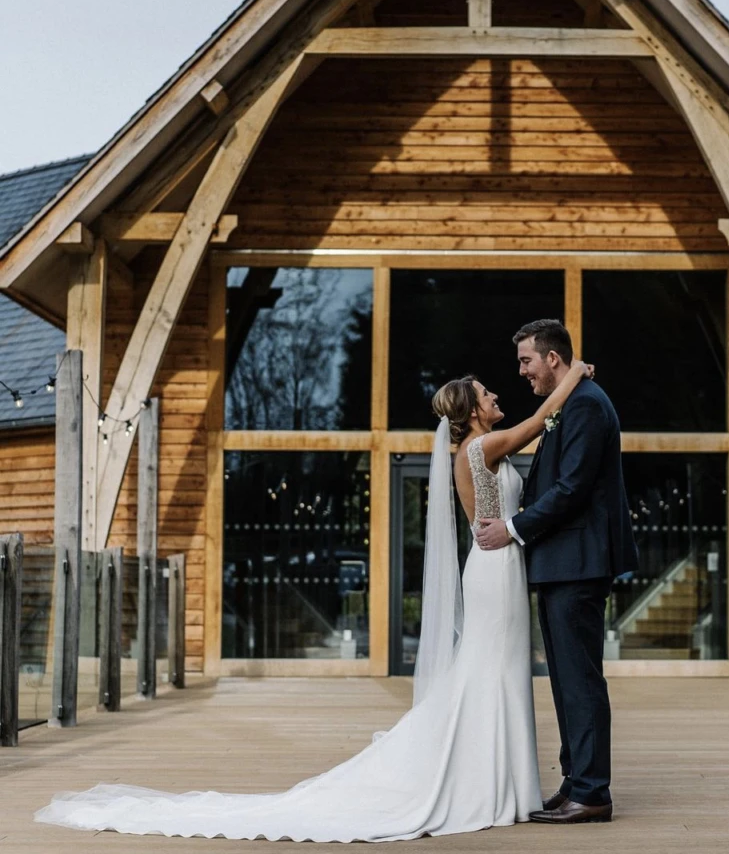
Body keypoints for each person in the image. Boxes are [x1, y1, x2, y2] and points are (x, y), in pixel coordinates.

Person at [34, 361, 593, 843]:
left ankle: (503, 783)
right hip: (494, 572)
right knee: (490, 672)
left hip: (498, 570)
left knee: (497, 673)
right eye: (487, 393)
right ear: (472, 411)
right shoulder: (480, 445)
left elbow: (541, 439)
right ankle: (488, 785)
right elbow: (537, 423)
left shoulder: (477, 446)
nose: (497, 395)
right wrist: (573, 375)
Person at [476, 319, 639, 825]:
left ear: (553, 358)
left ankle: (591, 792)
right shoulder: (571, 403)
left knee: (580, 681)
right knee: (568, 681)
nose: (521, 371)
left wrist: (513, 529)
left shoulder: (587, 405)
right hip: (563, 565)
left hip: (579, 564)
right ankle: (575, 782)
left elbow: (570, 490)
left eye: (527, 361)